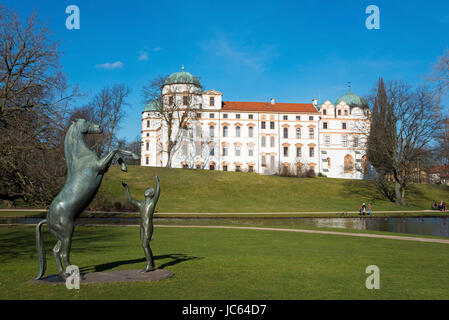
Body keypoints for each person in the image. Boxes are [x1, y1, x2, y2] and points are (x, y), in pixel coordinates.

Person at [122, 175, 160, 272]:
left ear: (151, 193)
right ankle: (152, 263)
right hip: (142, 227)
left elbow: (158, 193)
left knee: (145, 245)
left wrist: (157, 182)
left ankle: (149, 266)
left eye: (148, 190)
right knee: (144, 245)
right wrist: (127, 188)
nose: (146, 190)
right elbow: (130, 200)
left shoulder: (152, 202)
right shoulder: (141, 204)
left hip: (148, 227)